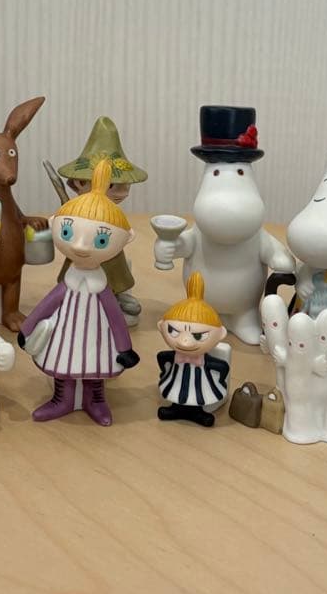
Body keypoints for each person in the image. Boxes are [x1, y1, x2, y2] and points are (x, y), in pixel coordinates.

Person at [19, 159, 140, 426]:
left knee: (95, 371)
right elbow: (47, 305)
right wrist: (27, 328)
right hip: (64, 336)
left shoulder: (102, 288)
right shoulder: (68, 283)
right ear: (55, 224)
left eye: (100, 240)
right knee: (63, 366)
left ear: (125, 239)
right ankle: (61, 399)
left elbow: (115, 318)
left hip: (97, 339)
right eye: (67, 232)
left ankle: (95, 400)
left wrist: (124, 348)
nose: (82, 247)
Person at [55, 116, 147, 325]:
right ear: (80, 183)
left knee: (113, 265)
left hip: (108, 254)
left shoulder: (112, 214)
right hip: (79, 263)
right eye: (112, 185)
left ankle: (115, 296)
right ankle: (71, 297)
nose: (123, 192)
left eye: (125, 185)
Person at [157, 272, 230, 427]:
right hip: (175, 381)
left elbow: (222, 366)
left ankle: (198, 413)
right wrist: (164, 373)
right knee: (175, 391)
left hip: (201, 384)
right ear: (160, 327)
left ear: (221, 334)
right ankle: (175, 409)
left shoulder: (204, 360)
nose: (185, 342)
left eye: (198, 336)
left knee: (199, 395)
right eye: (173, 331)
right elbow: (162, 357)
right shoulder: (175, 356)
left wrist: (221, 380)